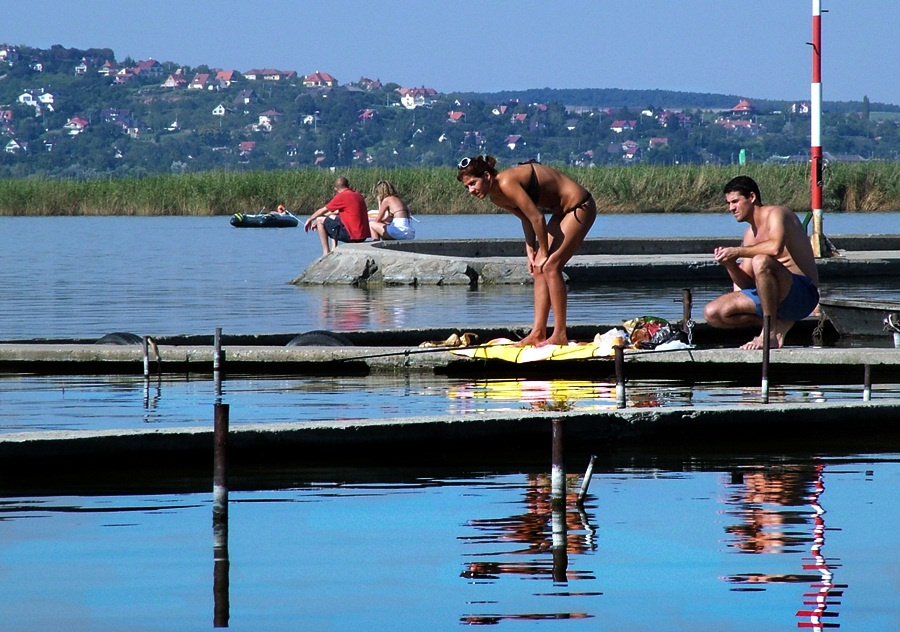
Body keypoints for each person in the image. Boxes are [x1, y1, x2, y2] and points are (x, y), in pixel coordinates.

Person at [457, 155, 596, 347]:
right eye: (467, 187)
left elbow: (538, 218)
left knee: (550, 266)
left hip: (580, 206)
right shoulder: (496, 196)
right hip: (560, 213)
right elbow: (526, 218)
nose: (471, 190)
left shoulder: (506, 182)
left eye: (473, 183)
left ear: (487, 176)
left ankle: (560, 334)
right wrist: (530, 250)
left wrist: (544, 253)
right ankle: (538, 333)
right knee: (538, 269)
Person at [703, 175, 819, 350]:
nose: (731, 208)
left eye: (735, 201)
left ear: (752, 197)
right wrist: (730, 264)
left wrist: (737, 251)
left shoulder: (778, 214)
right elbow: (747, 283)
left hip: (802, 294)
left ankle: (769, 333)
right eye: (728, 203)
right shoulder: (750, 234)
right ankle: (778, 322)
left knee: (761, 260)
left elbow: (775, 249)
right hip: (773, 298)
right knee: (713, 313)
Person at [304, 177, 370, 256]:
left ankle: (326, 252)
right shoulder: (357, 195)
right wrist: (327, 218)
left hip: (352, 236)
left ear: (336, 189)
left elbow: (323, 210)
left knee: (319, 220)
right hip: (363, 236)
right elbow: (339, 212)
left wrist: (310, 219)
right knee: (332, 218)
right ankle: (334, 247)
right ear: (348, 185)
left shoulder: (342, 196)